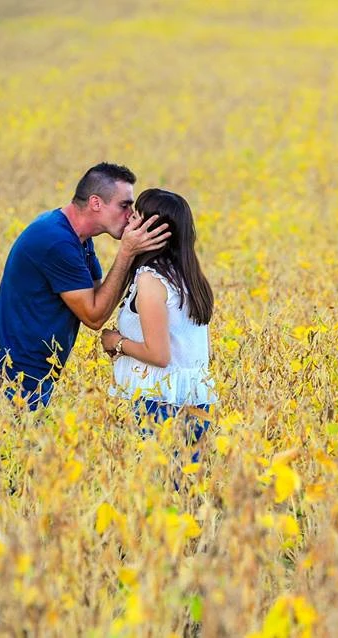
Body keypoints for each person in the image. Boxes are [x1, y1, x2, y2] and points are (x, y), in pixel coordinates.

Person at [0, 163, 170, 409]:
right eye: (124, 205)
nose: (131, 215)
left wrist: (132, 255)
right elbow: (94, 317)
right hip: (13, 376)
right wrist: (127, 253)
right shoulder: (56, 241)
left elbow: (100, 299)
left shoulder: (78, 239)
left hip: (32, 373)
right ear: (95, 203)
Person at [101, 188, 216, 460]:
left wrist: (116, 343)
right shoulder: (189, 278)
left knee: (151, 490)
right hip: (194, 400)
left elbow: (159, 355)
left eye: (136, 217)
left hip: (156, 403)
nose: (129, 220)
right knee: (183, 490)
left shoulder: (152, 280)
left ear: (152, 229)